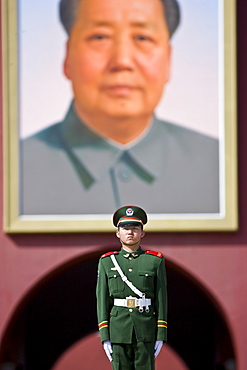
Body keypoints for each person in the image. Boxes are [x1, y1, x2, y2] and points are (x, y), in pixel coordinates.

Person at [20, 0, 219, 216]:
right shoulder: (14, 172)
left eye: (143, 38)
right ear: (67, 57)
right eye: (100, 37)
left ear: (168, 59)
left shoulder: (223, 170)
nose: (122, 61)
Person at [96, 205, 167, 369]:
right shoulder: (107, 262)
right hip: (118, 329)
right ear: (117, 233)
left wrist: (161, 334)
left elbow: (161, 300)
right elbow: (102, 301)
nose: (130, 232)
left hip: (146, 329)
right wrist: (105, 336)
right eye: (125, 228)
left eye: (134, 228)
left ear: (142, 233)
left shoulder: (155, 261)